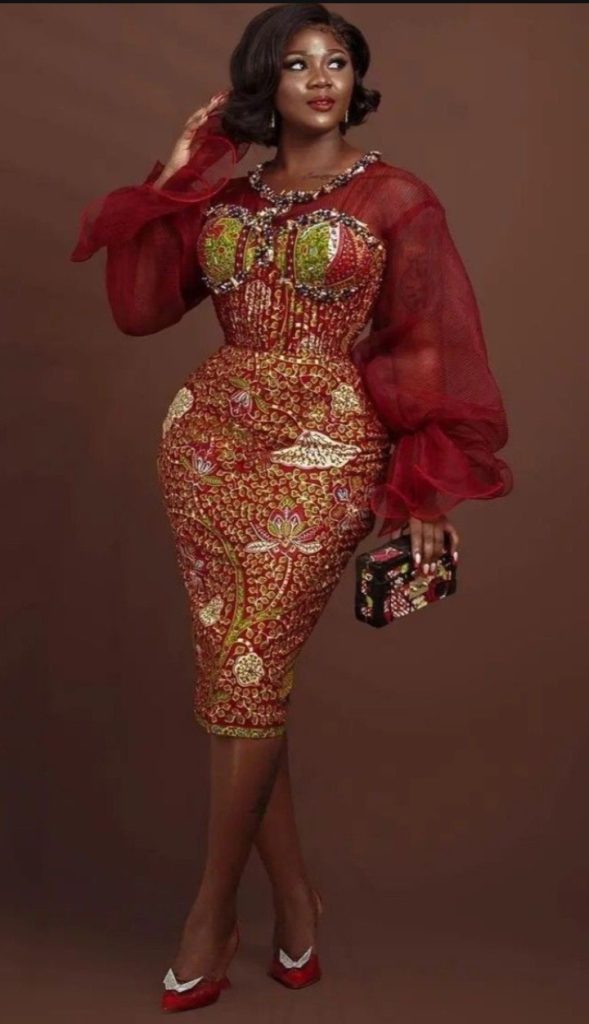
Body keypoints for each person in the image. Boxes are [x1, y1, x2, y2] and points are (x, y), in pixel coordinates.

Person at [70, 1, 513, 1010]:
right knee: (240, 681)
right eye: (299, 62)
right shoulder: (226, 197)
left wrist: (423, 489)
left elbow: (424, 343)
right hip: (205, 447)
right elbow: (141, 309)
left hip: (325, 452)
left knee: (249, 671)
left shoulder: (397, 196)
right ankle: (299, 906)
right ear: (265, 81)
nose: (321, 78)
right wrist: (174, 174)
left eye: (338, 61)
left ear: (357, 81)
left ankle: (210, 914)